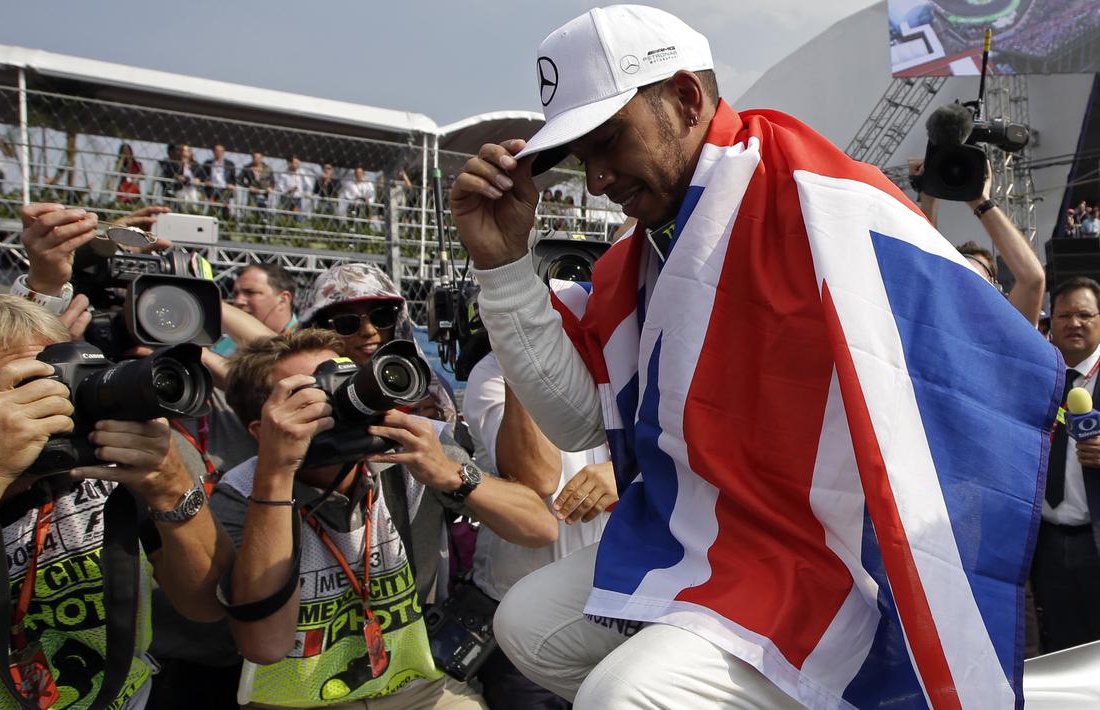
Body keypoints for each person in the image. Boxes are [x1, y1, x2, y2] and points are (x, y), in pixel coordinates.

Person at [450, 5, 1057, 708]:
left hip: (826, 558)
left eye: (608, 141)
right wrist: (499, 268)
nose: (595, 179)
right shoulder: (644, 248)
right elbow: (578, 423)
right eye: (580, 157)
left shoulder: (819, 194)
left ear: (684, 99)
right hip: (710, 535)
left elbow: (997, 358)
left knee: (622, 695)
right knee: (526, 625)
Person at [0, 284, 233, 709]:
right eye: (35, 381)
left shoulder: (100, 459)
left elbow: (208, 606)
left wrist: (173, 489)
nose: (69, 400)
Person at [212, 330, 557, 708]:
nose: (342, 403)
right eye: (313, 397)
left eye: (345, 382)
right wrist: (276, 473)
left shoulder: (411, 452)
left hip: (416, 688)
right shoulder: (242, 492)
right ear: (263, 430)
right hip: (297, 700)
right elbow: (265, 644)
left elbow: (539, 528)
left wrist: (450, 475)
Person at [464, 349, 614, 710]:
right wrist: (520, 366)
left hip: (607, 609)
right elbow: (541, 477)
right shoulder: (491, 375)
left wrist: (622, 474)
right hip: (519, 618)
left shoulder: (612, 365)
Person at [298, 262, 456, 423]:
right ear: (319, 329)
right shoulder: (305, 390)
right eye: (346, 323)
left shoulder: (424, 386)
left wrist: (435, 431)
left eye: (381, 317)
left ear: (398, 320)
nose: (369, 331)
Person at [1036, 276, 1100, 653]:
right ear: (1051, 322)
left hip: (1095, 541)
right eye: (1064, 315)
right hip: (1047, 543)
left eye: (1084, 314)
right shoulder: (1040, 376)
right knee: (1060, 647)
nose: (1073, 322)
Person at [911, 156, 1046, 324]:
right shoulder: (936, 322)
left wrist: (980, 200)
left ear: (995, 286)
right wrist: (928, 197)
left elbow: (1032, 280)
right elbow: (925, 267)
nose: (969, 285)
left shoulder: (1006, 329)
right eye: (961, 278)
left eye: (977, 279)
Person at [204, 144, 237, 218]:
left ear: (223, 152)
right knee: (211, 211)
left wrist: (231, 185)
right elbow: (203, 175)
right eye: (216, 150)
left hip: (225, 190)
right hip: (212, 189)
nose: (218, 153)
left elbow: (234, 179)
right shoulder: (207, 163)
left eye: (220, 151)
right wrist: (207, 181)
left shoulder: (230, 164)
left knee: (225, 211)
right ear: (213, 152)